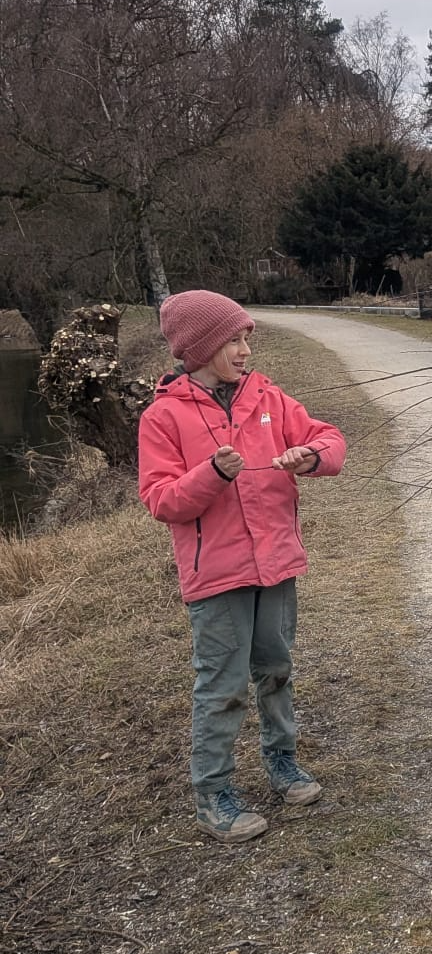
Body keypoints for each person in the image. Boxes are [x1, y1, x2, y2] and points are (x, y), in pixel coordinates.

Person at [138, 290, 347, 843]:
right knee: (223, 686)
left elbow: (330, 439)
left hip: (277, 566)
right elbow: (161, 501)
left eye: (247, 337)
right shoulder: (163, 417)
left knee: (276, 670)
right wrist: (212, 474)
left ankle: (282, 762)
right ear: (201, 346)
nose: (245, 349)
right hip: (218, 578)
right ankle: (214, 793)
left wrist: (312, 456)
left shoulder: (268, 398)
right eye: (234, 339)